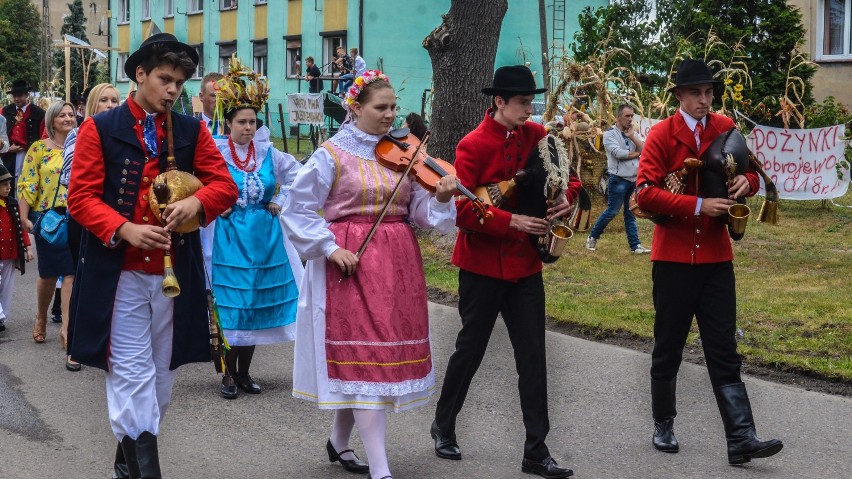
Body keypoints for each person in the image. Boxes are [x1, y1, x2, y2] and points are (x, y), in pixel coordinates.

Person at [67, 33, 237, 478]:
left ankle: (126, 464)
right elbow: (81, 198)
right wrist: (123, 228)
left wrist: (197, 204)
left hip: (174, 273)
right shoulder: (99, 128)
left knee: (161, 380)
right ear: (139, 74)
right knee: (130, 374)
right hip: (117, 274)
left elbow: (225, 186)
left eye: (180, 82)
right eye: (165, 79)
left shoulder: (191, 129)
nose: (173, 91)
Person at [282, 69, 457, 479]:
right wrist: (329, 247)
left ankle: (339, 442)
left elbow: (419, 213)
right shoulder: (331, 154)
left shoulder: (402, 152)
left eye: (394, 107)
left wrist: (443, 200)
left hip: (397, 266)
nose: (390, 114)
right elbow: (297, 208)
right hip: (350, 265)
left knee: (373, 364)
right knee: (362, 360)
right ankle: (381, 469)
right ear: (356, 108)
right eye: (381, 108)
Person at [431, 65, 579, 479]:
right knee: (470, 350)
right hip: (480, 266)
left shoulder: (537, 136)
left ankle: (536, 451)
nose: (530, 110)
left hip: (526, 266)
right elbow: (461, 209)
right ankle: (444, 425)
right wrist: (509, 222)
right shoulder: (473, 144)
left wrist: (566, 198)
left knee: (532, 357)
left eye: (531, 102)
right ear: (499, 102)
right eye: (522, 103)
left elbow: (567, 176)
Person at [635, 59, 783, 465]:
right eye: (696, 93)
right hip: (674, 261)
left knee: (723, 350)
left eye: (709, 93)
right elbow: (645, 194)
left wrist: (745, 184)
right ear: (679, 96)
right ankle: (663, 423)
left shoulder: (724, 128)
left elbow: (752, 172)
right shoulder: (662, 135)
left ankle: (741, 439)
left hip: (717, 259)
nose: (705, 100)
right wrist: (699, 204)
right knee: (668, 347)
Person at [208, 59, 303, 399]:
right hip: (230, 236)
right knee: (235, 304)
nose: (248, 127)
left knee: (256, 304)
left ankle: (245, 372)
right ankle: (227, 374)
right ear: (229, 123)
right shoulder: (216, 153)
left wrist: (282, 200)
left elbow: (299, 179)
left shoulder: (269, 154)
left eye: (252, 122)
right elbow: (197, 184)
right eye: (241, 122)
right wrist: (218, 204)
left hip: (264, 236)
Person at [17, 101, 77, 367]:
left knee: (72, 273)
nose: (67, 118)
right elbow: (28, 182)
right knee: (49, 274)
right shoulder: (38, 149)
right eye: (62, 115)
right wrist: (23, 218)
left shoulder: (82, 147)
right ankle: (41, 314)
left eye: (71, 114)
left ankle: (67, 328)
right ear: (52, 121)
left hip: (76, 217)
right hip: (47, 219)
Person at [586, 104, 650, 254]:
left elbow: (645, 149)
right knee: (612, 211)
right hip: (619, 179)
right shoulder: (609, 135)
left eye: (631, 116)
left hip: (634, 179)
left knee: (631, 213)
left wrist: (632, 137)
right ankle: (592, 237)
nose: (630, 119)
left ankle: (635, 246)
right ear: (618, 117)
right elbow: (619, 154)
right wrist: (637, 153)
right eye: (627, 116)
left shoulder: (632, 133)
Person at [0, 163, 33, 333]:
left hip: (10, 253)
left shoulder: (12, 203)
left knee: (6, 287)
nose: (8, 188)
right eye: (4, 185)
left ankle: (2, 316)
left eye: (9, 184)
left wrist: (28, 248)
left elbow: (20, 228)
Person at [2, 80, 46, 195]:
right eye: (14, 96)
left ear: (27, 95)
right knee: (8, 183)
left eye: (20, 95)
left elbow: (43, 137)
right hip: (9, 155)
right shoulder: (5, 111)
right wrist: (7, 148)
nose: (16, 99)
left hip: (30, 154)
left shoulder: (39, 113)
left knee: (27, 183)